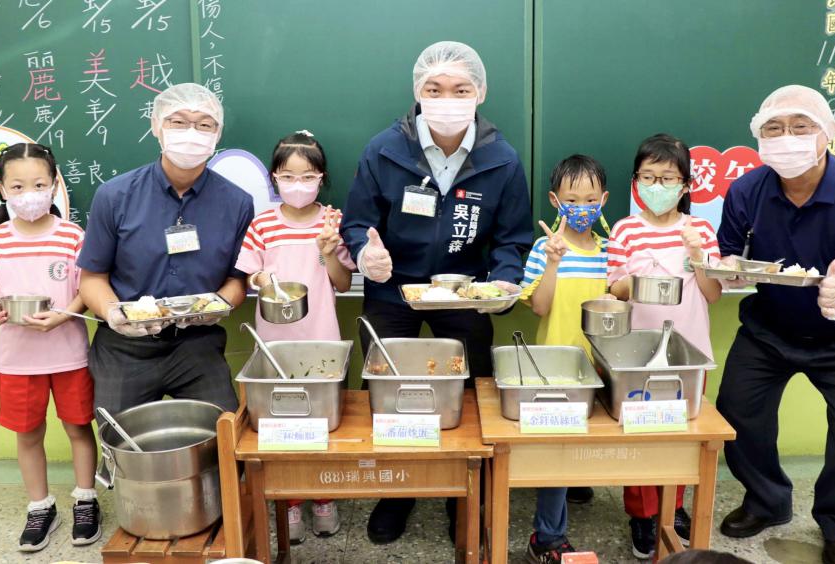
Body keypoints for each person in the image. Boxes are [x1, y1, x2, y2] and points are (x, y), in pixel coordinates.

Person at [340, 41, 532, 544]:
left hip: (463, 292)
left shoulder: (502, 159)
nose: (447, 97)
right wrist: (365, 254)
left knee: (470, 395)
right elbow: (357, 222)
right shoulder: (383, 149)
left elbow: (512, 238)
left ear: (480, 93)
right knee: (389, 390)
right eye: (435, 89)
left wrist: (506, 278)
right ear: (417, 92)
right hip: (392, 291)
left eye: (460, 89)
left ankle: (461, 493)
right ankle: (397, 490)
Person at [715, 85, 835, 564]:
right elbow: (732, 256)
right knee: (736, 409)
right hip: (769, 329)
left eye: (801, 127)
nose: (786, 138)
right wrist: (729, 270)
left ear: (827, 136)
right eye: (773, 129)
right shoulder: (746, 191)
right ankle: (767, 501)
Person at [78, 83, 254, 415]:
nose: (192, 132)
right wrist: (115, 313)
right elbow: (91, 278)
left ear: (217, 134)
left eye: (204, 124)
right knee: (122, 446)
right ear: (156, 126)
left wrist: (220, 304)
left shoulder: (237, 203)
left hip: (197, 346)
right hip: (124, 348)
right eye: (178, 121)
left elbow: (237, 280)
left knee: (224, 438)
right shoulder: (114, 196)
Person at [0, 143, 100, 552]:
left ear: (55, 184)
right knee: (27, 433)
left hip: (69, 353)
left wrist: (64, 315)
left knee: (79, 427)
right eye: (18, 184)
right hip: (17, 359)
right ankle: (40, 506)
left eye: (40, 183)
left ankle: (86, 499)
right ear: (2, 188)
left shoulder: (72, 236)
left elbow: (86, 290)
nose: (30, 193)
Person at [234, 130, 354, 543]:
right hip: (275, 342)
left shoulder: (331, 221)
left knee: (321, 421)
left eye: (307, 177)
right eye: (288, 176)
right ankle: (289, 503)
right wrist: (258, 276)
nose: (298, 185)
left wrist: (326, 250)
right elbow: (250, 271)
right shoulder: (263, 224)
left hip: (321, 337)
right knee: (282, 421)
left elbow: (341, 281)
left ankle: (322, 497)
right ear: (274, 178)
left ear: (321, 177)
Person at [607, 134, 723, 560]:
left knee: (681, 432)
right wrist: (636, 278)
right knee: (640, 431)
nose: (657, 185)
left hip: (691, 349)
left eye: (667, 177)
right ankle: (642, 514)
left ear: (686, 185)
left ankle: (673, 508)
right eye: (648, 177)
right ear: (636, 181)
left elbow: (712, 293)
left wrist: (696, 254)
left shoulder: (701, 230)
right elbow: (614, 290)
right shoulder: (625, 230)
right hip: (638, 351)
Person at [519, 154, 609, 564]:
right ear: (556, 201)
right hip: (554, 365)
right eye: (573, 198)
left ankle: (572, 487)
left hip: (598, 364)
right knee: (556, 448)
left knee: (581, 442)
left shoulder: (610, 250)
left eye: (591, 199)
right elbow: (538, 306)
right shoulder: (544, 247)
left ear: (604, 200)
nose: (582, 207)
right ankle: (548, 537)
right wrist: (553, 262)